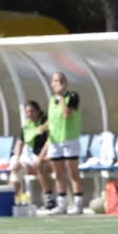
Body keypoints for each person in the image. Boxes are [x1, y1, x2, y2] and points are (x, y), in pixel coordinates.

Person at [44, 72, 85, 215]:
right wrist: (44, 127)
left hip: (70, 139)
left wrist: (61, 96)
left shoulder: (72, 96)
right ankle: (62, 205)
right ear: (51, 83)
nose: (58, 83)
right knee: (58, 173)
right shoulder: (51, 101)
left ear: (66, 83)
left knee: (73, 172)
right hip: (56, 141)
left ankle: (78, 205)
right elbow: (53, 120)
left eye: (61, 80)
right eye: (55, 80)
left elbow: (67, 114)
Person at [9, 100, 55, 209]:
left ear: (38, 111)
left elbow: (50, 140)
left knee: (40, 165)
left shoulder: (46, 121)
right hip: (35, 159)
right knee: (17, 169)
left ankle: (49, 199)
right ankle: (11, 200)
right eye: (27, 112)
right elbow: (20, 143)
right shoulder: (27, 126)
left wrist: (40, 158)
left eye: (32, 111)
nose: (29, 114)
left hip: (51, 157)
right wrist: (17, 161)